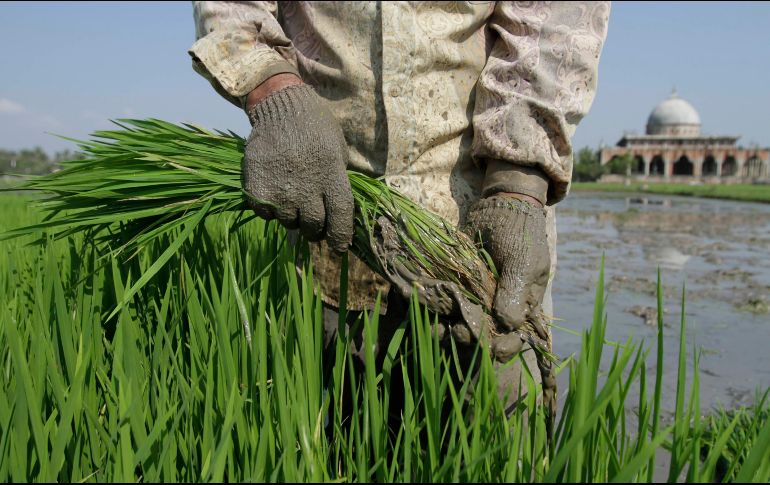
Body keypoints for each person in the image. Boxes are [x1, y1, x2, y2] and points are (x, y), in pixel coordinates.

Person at [190, 1, 610, 420]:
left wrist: (517, 187)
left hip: (485, 237)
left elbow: (556, 22)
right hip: (336, 224)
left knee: (495, 429)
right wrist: (276, 95)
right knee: (337, 431)